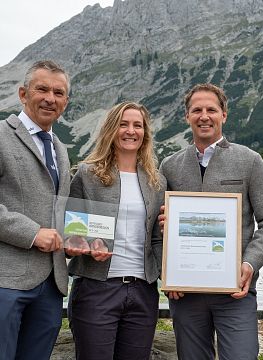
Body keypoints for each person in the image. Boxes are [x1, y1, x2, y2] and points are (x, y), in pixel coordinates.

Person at [159, 83, 263, 360]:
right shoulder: (169, 165)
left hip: (235, 291)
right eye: (197, 110)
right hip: (185, 292)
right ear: (187, 117)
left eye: (211, 109)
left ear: (224, 115)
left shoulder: (249, 160)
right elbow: (156, 229)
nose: (204, 116)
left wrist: (249, 263)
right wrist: (165, 273)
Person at [66, 101, 166, 360]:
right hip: (96, 289)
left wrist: (173, 274)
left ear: (145, 133)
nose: (130, 131)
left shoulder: (156, 180)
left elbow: (157, 237)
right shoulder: (87, 174)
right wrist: (87, 244)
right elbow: (72, 230)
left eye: (137, 125)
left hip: (143, 290)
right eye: (123, 124)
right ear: (111, 129)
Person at [0, 60, 71, 359]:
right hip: (7, 280)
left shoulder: (60, 149)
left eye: (59, 92)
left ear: (66, 101)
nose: (50, 98)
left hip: (51, 285)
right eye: (42, 89)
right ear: (22, 93)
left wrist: (87, 240)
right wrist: (32, 233)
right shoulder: (1, 135)